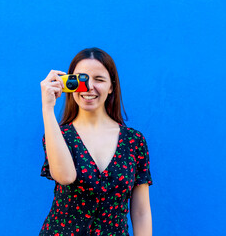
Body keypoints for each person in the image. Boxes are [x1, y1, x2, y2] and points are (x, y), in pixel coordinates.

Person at [39, 47, 153, 236]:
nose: (89, 87)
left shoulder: (134, 141)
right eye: (81, 79)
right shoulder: (57, 135)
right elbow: (65, 177)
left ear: (111, 87)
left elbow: (141, 212)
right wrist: (48, 108)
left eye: (99, 79)